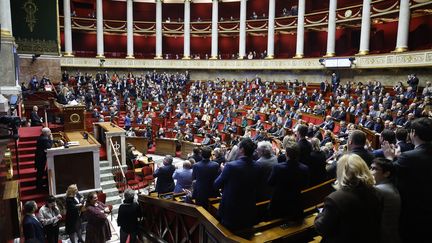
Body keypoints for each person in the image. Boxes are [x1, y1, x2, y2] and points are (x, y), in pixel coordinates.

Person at [383, 117, 432, 243]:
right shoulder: (409, 155)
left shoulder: (409, 157)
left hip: (412, 209)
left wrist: (389, 158)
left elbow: (390, 175)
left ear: (413, 133)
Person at [314, 154, 382, 243]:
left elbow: (321, 228)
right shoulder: (377, 192)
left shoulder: (335, 199)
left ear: (341, 172)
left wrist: (320, 215)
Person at [214, 138, 263, 230]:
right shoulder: (258, 166)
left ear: (242, 150)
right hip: (248, 209)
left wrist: (223, 171)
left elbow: (216, 185)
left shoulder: (230, 166)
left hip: (231, 211)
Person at [268, 140, 309, 222]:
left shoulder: (277, 167)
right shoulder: (305, 168)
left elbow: (270, 183)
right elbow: (305, 185)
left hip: (279, 203)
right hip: (296, 203)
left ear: (286, 154)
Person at [370, 158, 401, 243]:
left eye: (374, 169)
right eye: (370, 168)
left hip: (383, 236)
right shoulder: (389, 185)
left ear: (386, 174)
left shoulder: (379, 190)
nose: (370, 171)